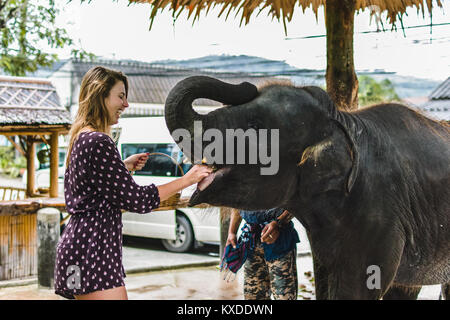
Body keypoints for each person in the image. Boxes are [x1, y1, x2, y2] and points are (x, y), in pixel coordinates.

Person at [54, 66, 212, 300]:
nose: (126, 104)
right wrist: (188, 178)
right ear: (100, 95)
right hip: (92, 251)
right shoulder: (98, 141)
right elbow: (137, 200)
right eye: (120, 96)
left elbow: (90, 183)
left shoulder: (83, 136)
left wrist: (123, 166)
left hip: (81, 247)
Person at [225, 208, 300, 300]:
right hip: (251, 242)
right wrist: (232, 232)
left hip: (280, 240)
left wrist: (279, 223)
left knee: (283, 296)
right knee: (253, 295)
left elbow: (296, 200)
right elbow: (237, 203)